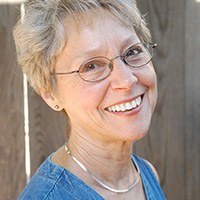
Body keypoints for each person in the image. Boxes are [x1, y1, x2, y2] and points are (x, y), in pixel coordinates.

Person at [13, 0, 166, 199]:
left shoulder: (145, 173)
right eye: (92, 66)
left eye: (132, 52)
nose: (127, 80)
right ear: (50, 93)